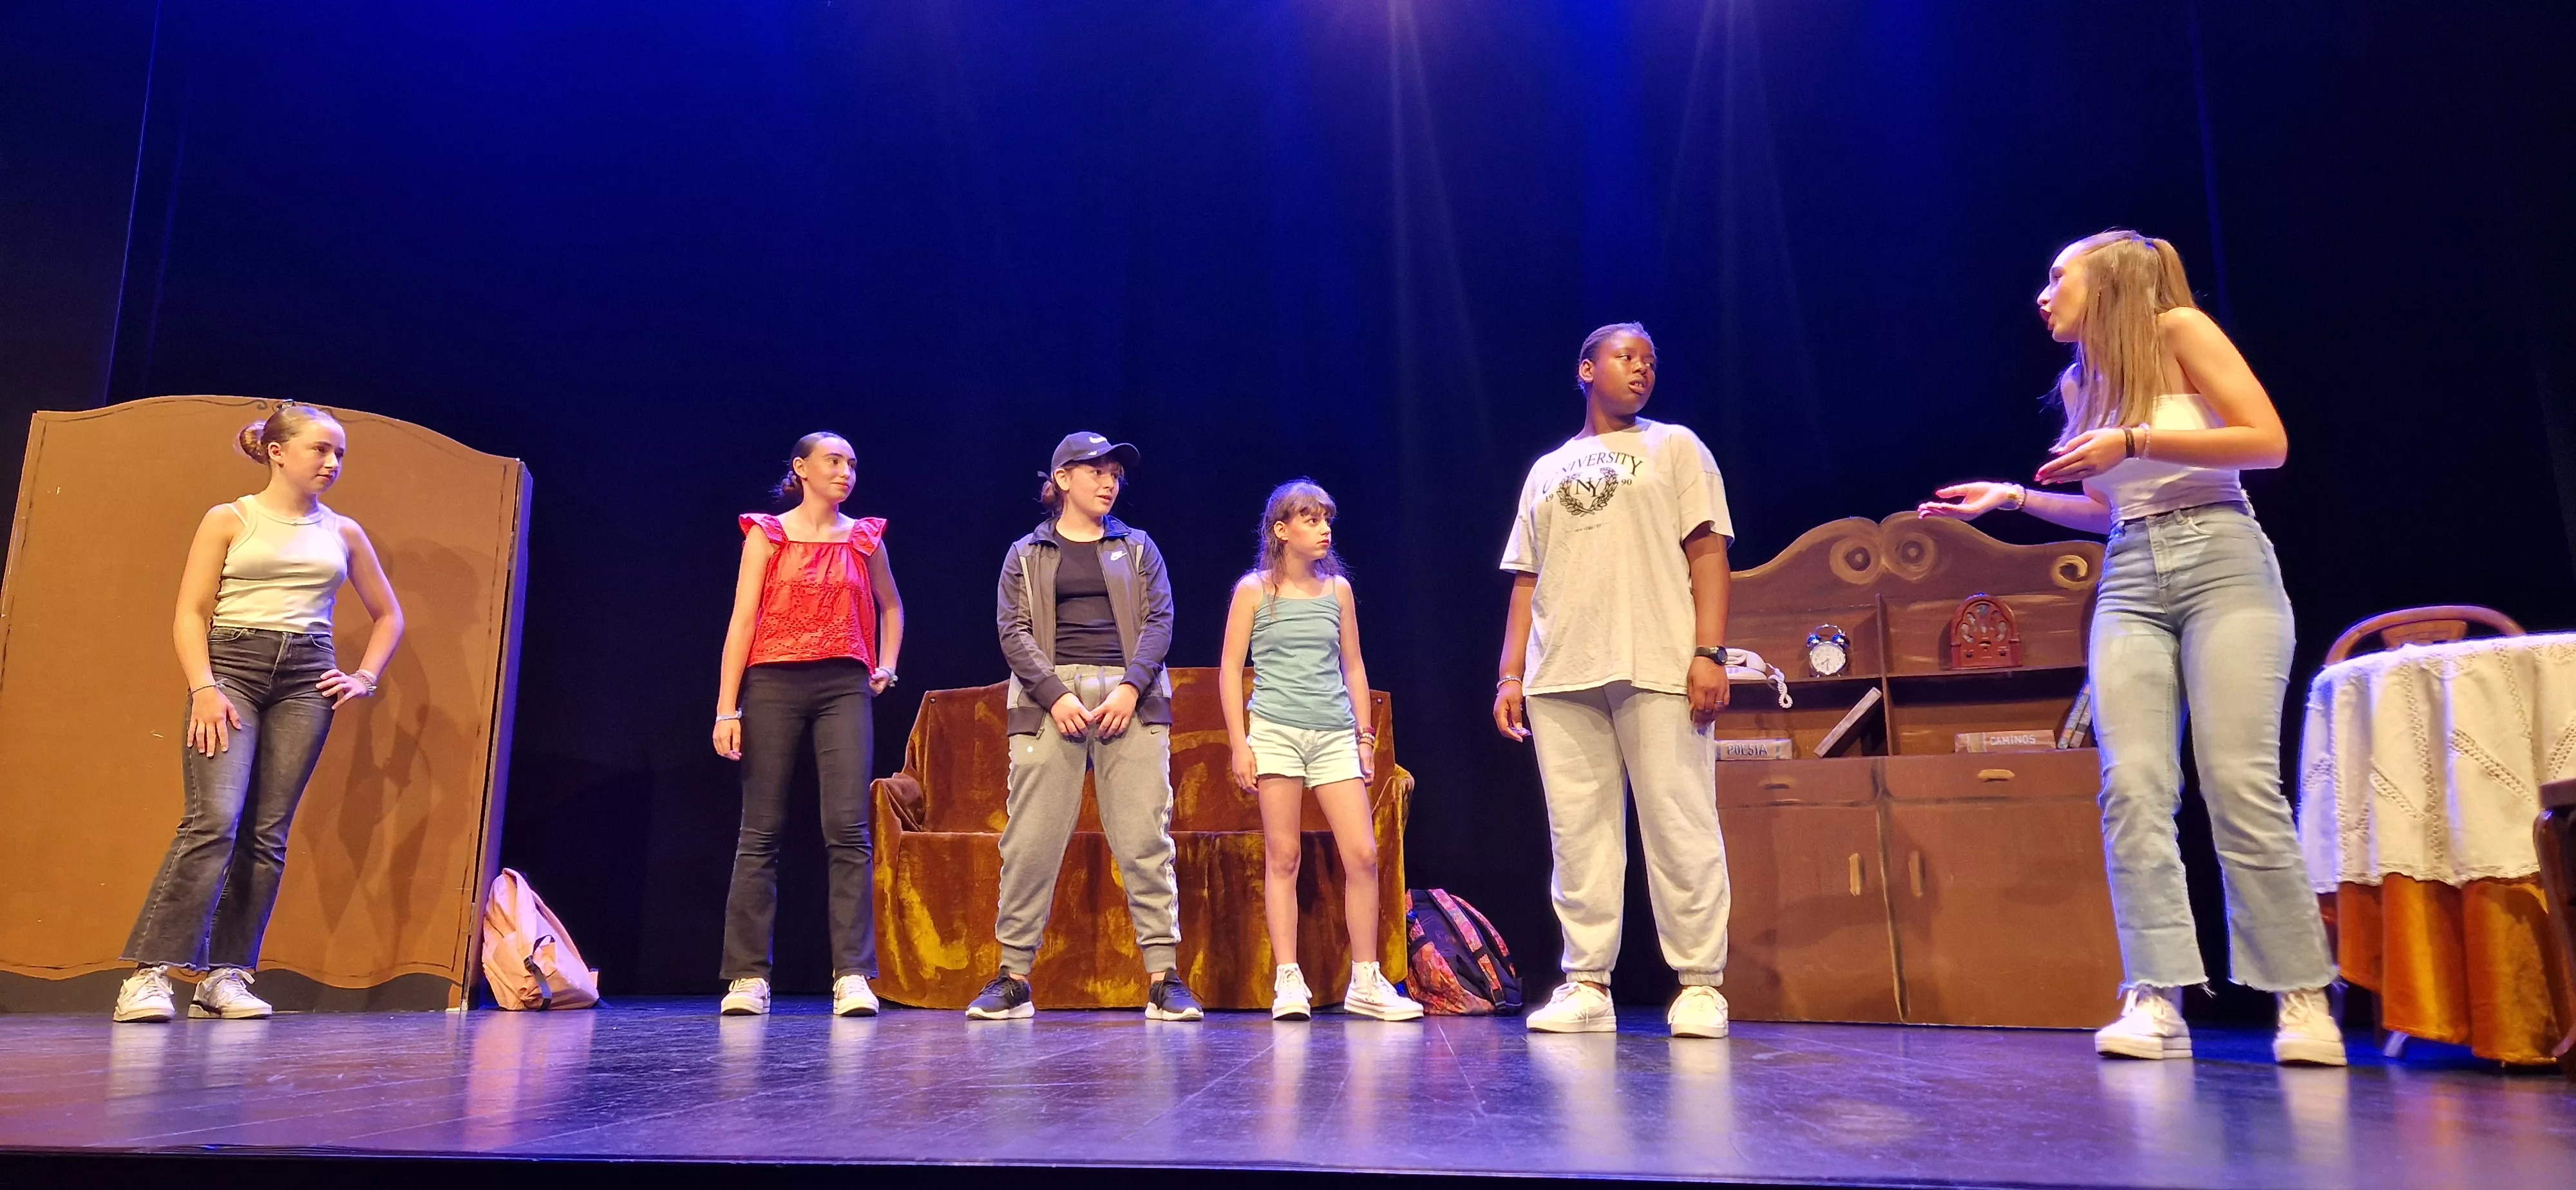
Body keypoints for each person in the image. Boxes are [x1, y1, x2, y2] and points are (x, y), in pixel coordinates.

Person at [1917, 230, 2345, 1066]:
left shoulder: (2179, 331)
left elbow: (2267, 442)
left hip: (2223, 557)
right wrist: (2013, 499)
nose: (2042, 296)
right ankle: (2153, 995)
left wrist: (2140, 441)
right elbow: (2109, 508)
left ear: (2106, 278)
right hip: (2133, 574)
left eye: (2056, 275)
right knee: (2134, 787)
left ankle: (2300, 997)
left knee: (2238, 781)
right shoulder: (2081, 380)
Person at [113, 403, 406, 1023]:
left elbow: (390, 614)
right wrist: (203, 687)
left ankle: (226, 976)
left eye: (339, 455)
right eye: (320, 450)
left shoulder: (343, 531)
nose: (332, 463)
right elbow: (191, 611)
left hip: (307, 677)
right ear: (278, 451)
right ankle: (150, 975)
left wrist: (364, 677)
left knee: (266, 833)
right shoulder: (230, 518)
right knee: (214, 820)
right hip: (232, 670)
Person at [1492, 323, 1737, 1039]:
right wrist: (1510, 673)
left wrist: (1710, 653)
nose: (1641, 370)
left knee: (1679, 823)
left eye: (1651, 361)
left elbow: (1708, 552)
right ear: (1586, 369)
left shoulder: (1676, 446)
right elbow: (1524, 581)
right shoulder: (1545, 469)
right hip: (1561, 669)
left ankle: (1699, 983)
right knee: (1579, 837)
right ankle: (1586, 982)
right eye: (1627, 357)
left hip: (1656, 660)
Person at [968, 432, 1203, 1021]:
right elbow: (1012, 632)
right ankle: (1013, 976)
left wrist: (1130, 686)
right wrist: (1054, 696)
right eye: (1096, 471)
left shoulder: (1139, 547)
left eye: (1116, 474)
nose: (1109, 482)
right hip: (1052, 701)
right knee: (1030, 842)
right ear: (1063, 479)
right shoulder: (1025, 553)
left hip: (1131, 697)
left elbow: (1160, 622)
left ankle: (1164, 978)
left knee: (1146, 841)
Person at [711, 431, 904, 1018]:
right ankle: (747, 977)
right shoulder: (767, 535)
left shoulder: (864, 539)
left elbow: (891, 606)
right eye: (835, 461)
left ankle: (852, 975)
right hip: (772, 683)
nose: (847, 471)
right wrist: (727, 706)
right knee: (760, 832)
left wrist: (886, 665)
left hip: (844, 684)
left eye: (852, 463)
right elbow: (743, 620)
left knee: (847, 830)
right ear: (802, 469)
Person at [1218, 480, 1423, 1022]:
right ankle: (1288, 979)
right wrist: (1240, 746)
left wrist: (1365, 736)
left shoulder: (1338, 593)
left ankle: (1366, 979)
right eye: (1310, 519)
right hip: (1277, 731)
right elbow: (1230, 670)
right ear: (1282, 531)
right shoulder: (1255, 591)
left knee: (1363, 854)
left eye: (1327, 519)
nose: (1324, 529)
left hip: (1333, 732)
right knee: (1283, 856)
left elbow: (1353, 666)